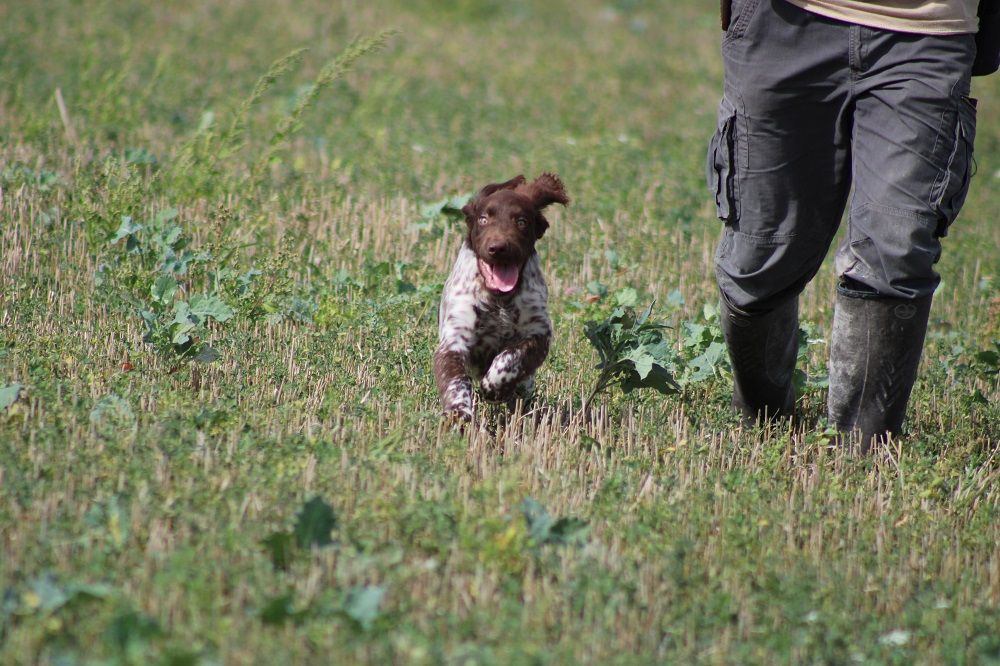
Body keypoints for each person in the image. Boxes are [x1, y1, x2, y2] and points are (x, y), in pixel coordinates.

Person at [707, 0, 997, 450]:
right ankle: (762, 428)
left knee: (896, 249)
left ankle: (859, 458)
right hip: (785, 21)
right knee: (759, 256)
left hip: (928, 30)